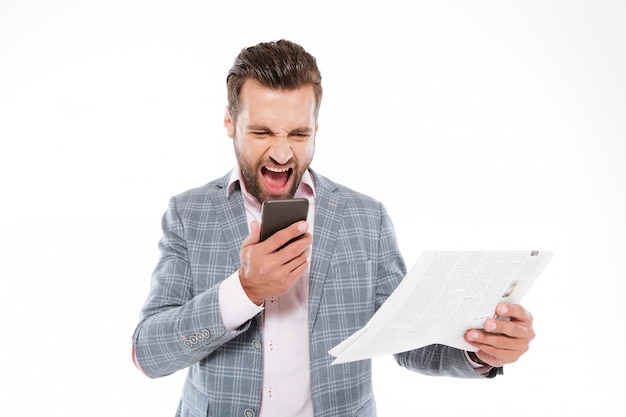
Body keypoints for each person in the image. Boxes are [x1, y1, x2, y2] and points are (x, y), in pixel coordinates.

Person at [132, 39, 536, 417]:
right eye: (261, 132)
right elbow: (149, 352)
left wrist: (481, 351)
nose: (281, 152)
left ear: (316, 128)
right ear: (229, 123)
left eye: (298, 133)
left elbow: (405, 339)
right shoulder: (189, 214)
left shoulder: (365, 217)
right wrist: (246, 290)